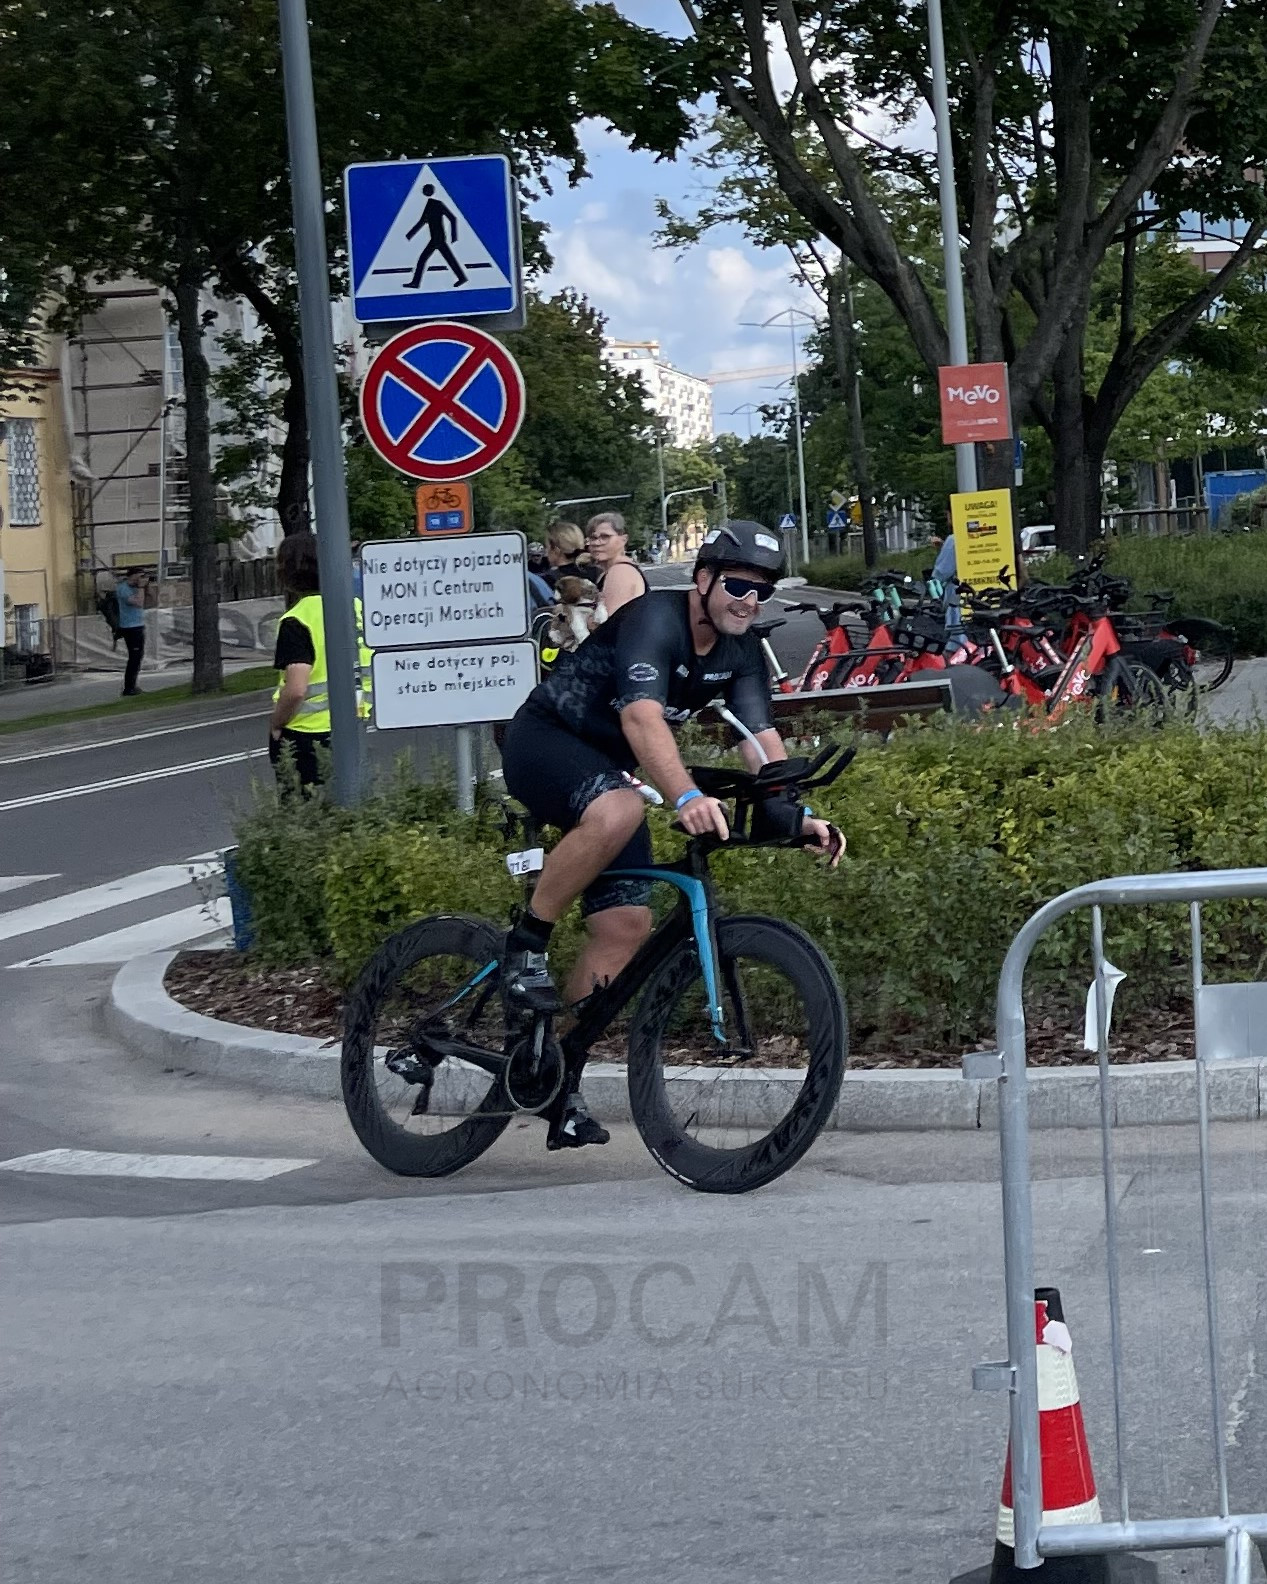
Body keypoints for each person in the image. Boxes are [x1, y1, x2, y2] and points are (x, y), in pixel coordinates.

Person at [499, 519, 845, 1151]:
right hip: (544, 739)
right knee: (622, 808)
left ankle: (553, 1073)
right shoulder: (656, 620)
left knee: (625, 926)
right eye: (737, 585)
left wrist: (794, 815)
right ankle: (527, 945)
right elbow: (640, 717)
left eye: (761, 590)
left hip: (610, 769)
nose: (748, 600)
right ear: (704, 579)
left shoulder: (740, 650)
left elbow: (760, 740)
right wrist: (684, 795)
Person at [268, 531, 372, 792]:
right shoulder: (356, 608)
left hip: (306, 733)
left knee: (304, 807)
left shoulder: (297, 619)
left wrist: (277, 723)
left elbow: (296, 689)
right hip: (353, 723)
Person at [584, 511, 646, 615]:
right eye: (593, 538)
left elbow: (609, 619)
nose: (597, 543)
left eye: (605, 537)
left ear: (624, 539)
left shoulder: (620, 571)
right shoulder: (609, 571)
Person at [116, 568, 149, 696]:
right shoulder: (123, 589)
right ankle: (128, 687)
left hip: (139, 625)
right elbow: (138, 603)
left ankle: (133, 685)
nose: (141, 579)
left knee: (138, 656)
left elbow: (152, 600)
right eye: (140, 576)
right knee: (134, 657)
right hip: (130, 627)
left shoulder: (137, 588)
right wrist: (140, 587)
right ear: (132, 576)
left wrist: (145, 587)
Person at [542, 520, 591, 586]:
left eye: (547, 546)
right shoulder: (596, 573)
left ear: (556, 550)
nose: (546, 551)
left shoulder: (548, 580)